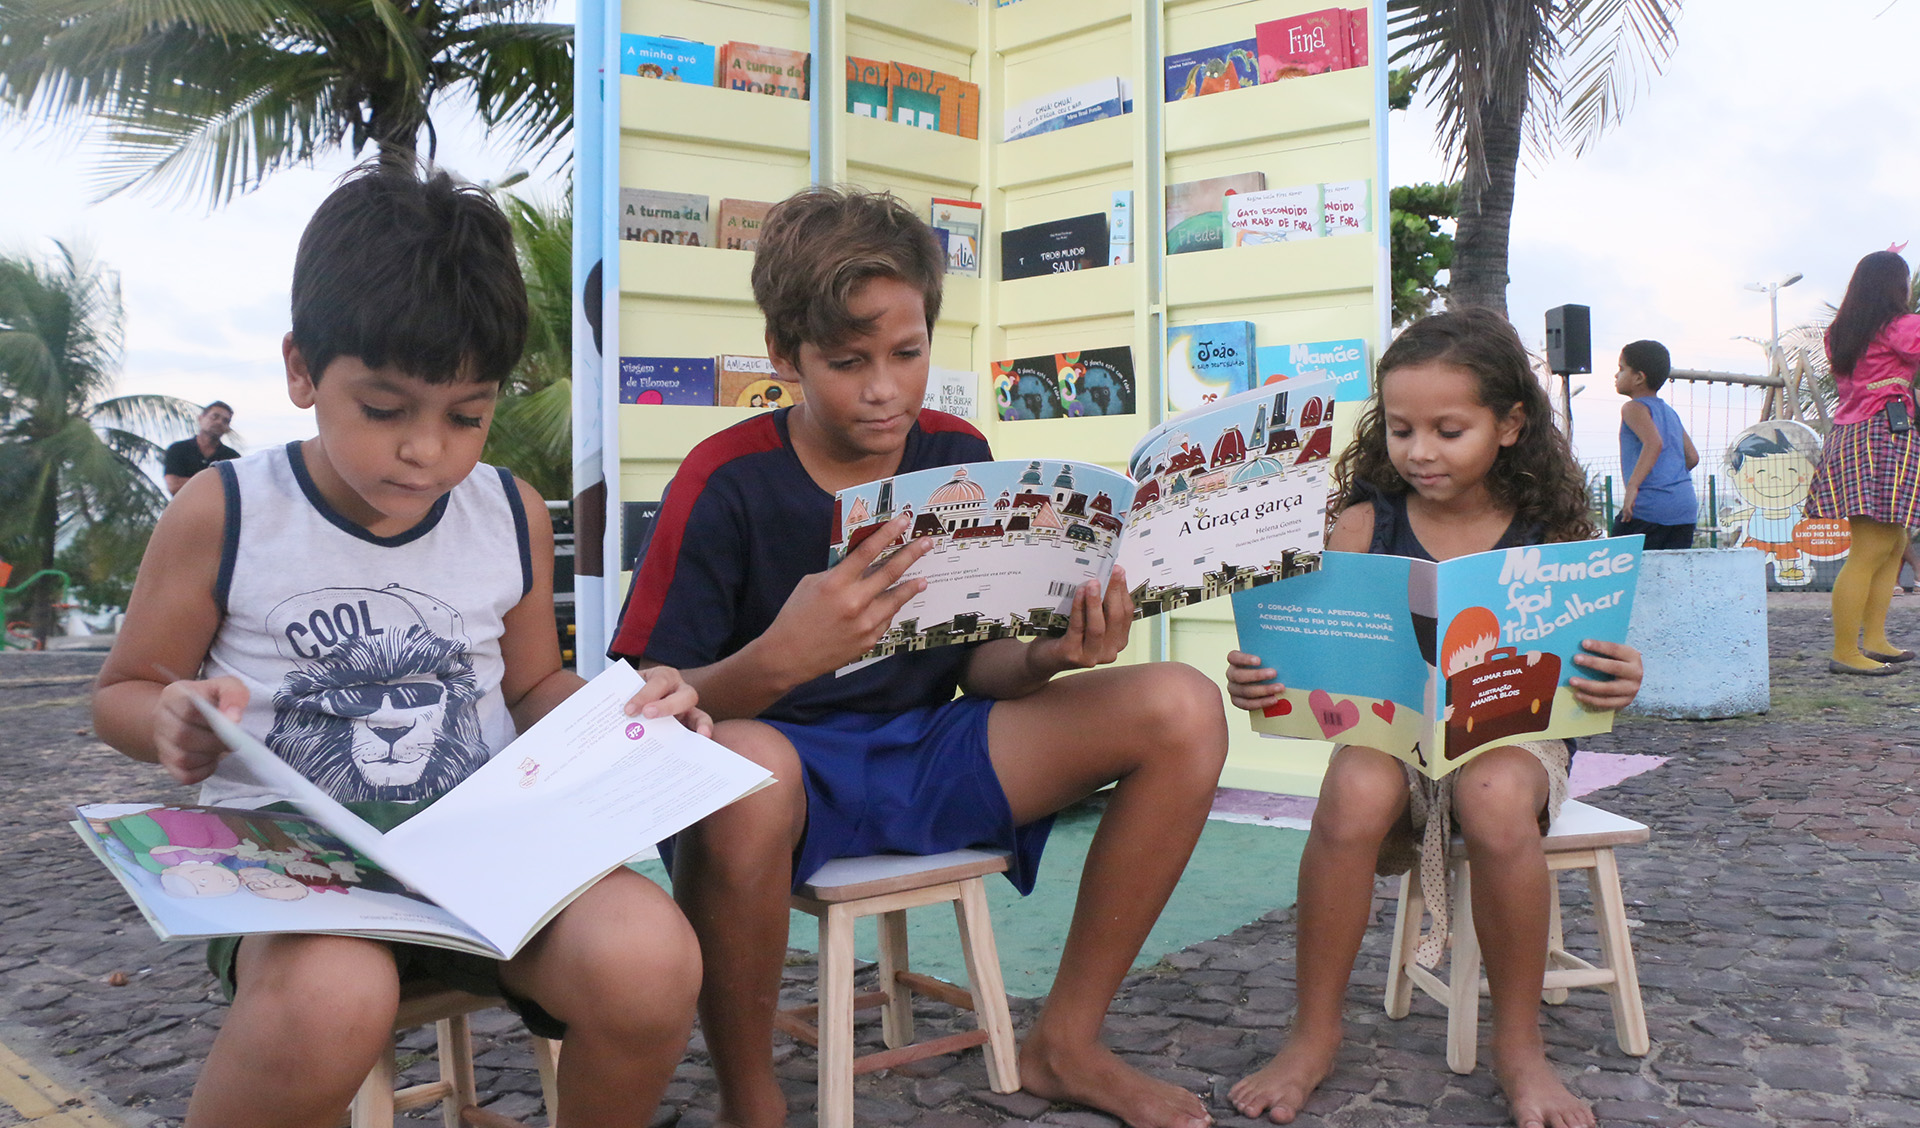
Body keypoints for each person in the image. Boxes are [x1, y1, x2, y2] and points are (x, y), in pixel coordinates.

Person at [92, 167, 708, 1128]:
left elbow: (533, 680)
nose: (428, 450)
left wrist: (617, 713)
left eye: (467, 414)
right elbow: (124, 688)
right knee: (336, 998)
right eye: (385, 410)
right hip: (302, 873)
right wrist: (170, 720)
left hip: (483, 857)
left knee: (651, 958)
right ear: (301, 370)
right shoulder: (229, 509)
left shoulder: (503, 508)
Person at [608, 186, 1229, 1128]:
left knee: (1183, 706)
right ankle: (751, 1098)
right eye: (848, 362)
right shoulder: (724, 479)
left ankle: (1066, 1041)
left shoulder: (955, 452)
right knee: (754, 765)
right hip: (774, 785)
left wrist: (1050, 657)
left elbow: (978, 666)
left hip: (925, 748)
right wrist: (784, 656)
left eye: (907, 354)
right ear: (785, 356)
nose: (885, 388)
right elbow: (651, 710)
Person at [1222, 309, 1644, 1128]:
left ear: (1510, 424)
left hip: (1514, 741)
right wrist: (1263, 679)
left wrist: (1619, 677)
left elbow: (1590, 663)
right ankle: (1313, 1034)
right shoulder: (1359, 525)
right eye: (1403, 428)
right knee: (1354, 790)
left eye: (1450, 430)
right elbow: (1317, 648)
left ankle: (1519, 1049)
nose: (1420, 451)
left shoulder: (1549, 536)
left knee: (1491, 792)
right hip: (1392, 737)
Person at [1804, 249, 1920, 675]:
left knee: (1890, 544)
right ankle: (1845, 650)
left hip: (1852, 435)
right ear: (1895, 286)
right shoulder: (1900, 327)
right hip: (1883, 436)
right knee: (1874, 547)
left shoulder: (1843, 330)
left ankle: (1873, 639)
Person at [1609, 339, 1699, 549]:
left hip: (1648, 509)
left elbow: (1653, 443)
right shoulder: (1669, 412)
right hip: (1685, 509)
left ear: (1639, 377)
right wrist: (1669, 476)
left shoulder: (1632, 408)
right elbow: (1692, 457)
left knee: (1618, 566)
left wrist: (1633, 486)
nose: (1616, 375)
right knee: (1670, 576)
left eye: (1622, 369)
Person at [163, 401, 240, 495]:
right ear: (200, 418)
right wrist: (218, 482)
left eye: (225, 421)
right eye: (215, 417)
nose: (219, 422)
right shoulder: (178, 449)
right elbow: (174, 486)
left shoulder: (233, 458)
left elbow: (235, 490)